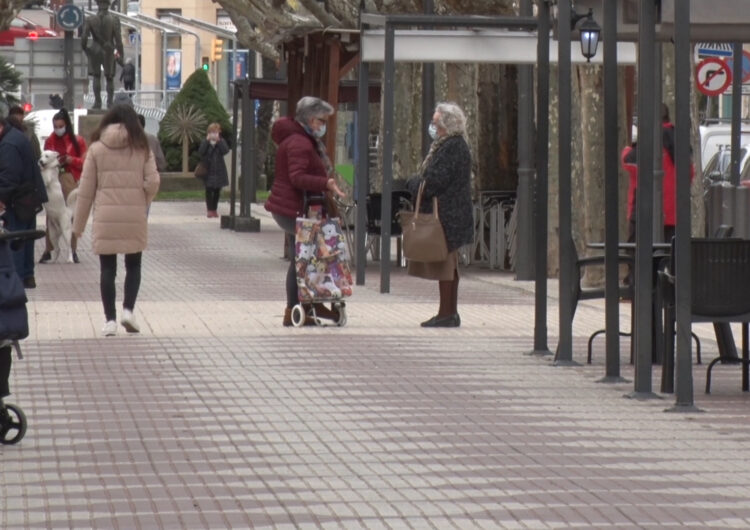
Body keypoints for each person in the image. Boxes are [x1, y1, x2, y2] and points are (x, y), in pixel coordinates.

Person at [72, 104, 160, 337]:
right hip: (134, 213)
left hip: (106, 215)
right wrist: (143, 200)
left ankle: (109, 320)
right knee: (134, 264)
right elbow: (153, 182)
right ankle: (128, 310)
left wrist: (78, 226)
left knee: (107, 268)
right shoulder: (142, 148)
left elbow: (86, 191)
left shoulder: (97, 148)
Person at [264, 96, 346, 327]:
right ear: (311, 119)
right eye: (321, 121)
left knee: (301, 256)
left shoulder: (300, 139)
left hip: (291, 208)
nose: (323, 126)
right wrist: (325, 183)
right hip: (294, 209)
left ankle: (302, 304)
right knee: (307, 256)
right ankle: (298, 306)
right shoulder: (299, 142)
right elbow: (297, 177)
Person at [405, 102, 474, 328]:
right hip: (453, 213)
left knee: (446, 265)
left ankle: (446, 313)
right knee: (450, 265)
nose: (432, 127)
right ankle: (449, 312)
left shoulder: (451, 147)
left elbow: (435, 182)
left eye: (435, 123)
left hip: (447, 215)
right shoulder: (454, 145)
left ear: (447, 125)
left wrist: (414, 183)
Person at [0, 116, 47, 288]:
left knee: (16, 241)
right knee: (26, 239)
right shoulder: (16, 136)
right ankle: (27, 275)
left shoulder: (8, 145)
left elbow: (8, 177)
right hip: (28, 198)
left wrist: (1, 198)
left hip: (17, 200)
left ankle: (16, 281)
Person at [40, 108, 87, 264]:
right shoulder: (50, 140)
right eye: (55, 126)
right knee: (51, 215)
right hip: (52, 177)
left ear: (66, 124)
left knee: (69, 216)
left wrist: (71, 160)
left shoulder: (77, 140)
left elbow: (84, 162)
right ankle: (50, 249)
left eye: (60, 126)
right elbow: (44, 159)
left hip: (68, 177)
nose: (58, 129)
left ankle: (72, 250)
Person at [81, 0, 124, 109]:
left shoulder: (90, 19)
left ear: (98, 4)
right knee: (109, 77)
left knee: (96, 76)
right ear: (108, 5)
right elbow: (118, 40)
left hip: (95, 49)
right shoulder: (114, 20)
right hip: (109, 50)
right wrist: (121, 56)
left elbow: (84, 37)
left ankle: (98, 102)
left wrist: (86, 49)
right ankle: (109, 103)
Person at [197, 123, 229, 218]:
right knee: (209, 190)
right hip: (208, 169)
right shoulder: (206, 142)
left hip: (219, 170)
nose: (213, 134)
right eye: (211, 132)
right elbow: (201, 151)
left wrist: (219, 141)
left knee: (217, 191)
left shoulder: (221, 141)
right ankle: (209, 210)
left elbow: (225, 151)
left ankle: (214, 209)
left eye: (215, 132)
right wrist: (207, 141)